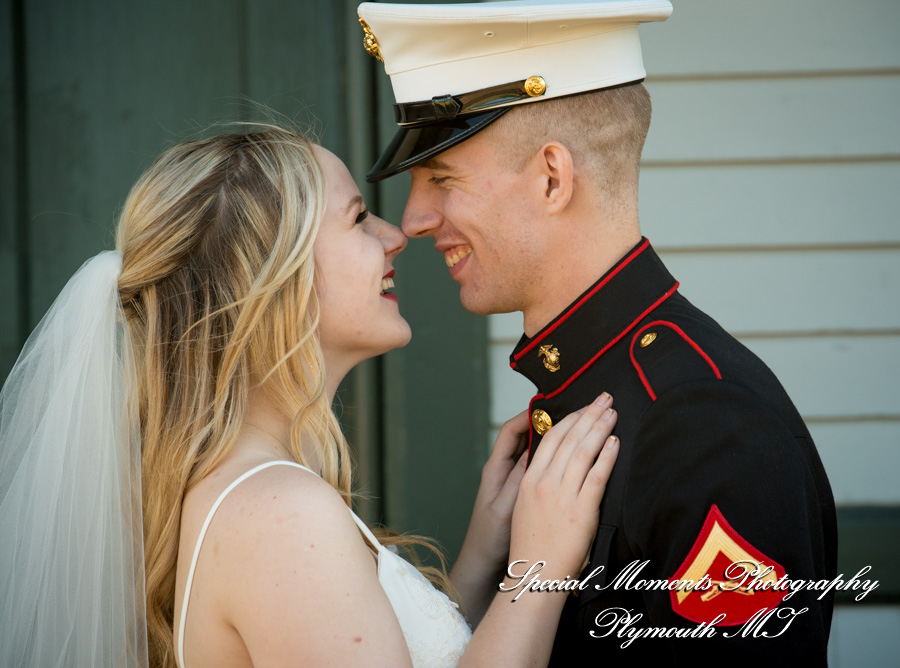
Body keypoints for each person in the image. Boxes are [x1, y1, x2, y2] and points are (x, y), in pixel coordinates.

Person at [0, 124, 622, 668]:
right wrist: (538, 569)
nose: (395, 234)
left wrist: (484, 559)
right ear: (276, 282)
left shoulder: (251, 493)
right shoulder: (281, 515)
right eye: (357, 218)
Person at [358, 0, 838, 664]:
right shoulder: (592, 393)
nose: (411, 219)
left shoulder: (707, 426)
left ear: (553, 178)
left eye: (442, 179)